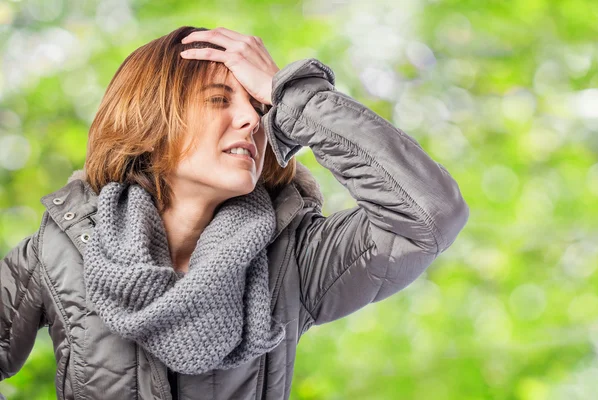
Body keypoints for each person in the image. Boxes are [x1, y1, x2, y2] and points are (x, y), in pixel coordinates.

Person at [0, 25, 469, 400]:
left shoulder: (295, 257)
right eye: (220, 100)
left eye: (259, 107)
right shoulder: (62, 247)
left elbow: (431, 212)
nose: (251, 120)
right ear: (151, 118)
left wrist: (293, 96)